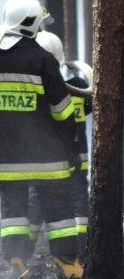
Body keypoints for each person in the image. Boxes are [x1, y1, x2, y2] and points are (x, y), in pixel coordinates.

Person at [0, 0, 82, 279]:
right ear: (29, 23)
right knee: (59, 212)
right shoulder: (43, 59)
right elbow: (62, 110)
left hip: (7, 159)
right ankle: (67, 264)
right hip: (47, 157)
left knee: (13, 214)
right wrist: (71, 144)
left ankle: (16, 261)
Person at [33, 31, 94, 259]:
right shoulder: (78, 82)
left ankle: (23, 252)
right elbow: (88, 109)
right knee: (78, 200)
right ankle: (82, 247)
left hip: (52, 159)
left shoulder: (44, 87)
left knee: (38, 200)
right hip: (78, 157)